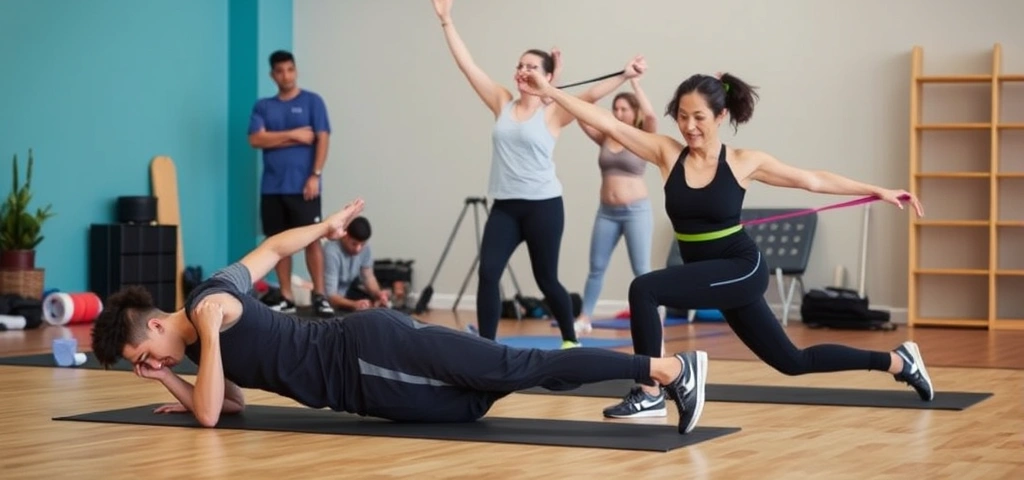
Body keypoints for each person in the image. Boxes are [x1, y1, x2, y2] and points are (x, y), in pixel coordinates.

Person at [517, 67, 935, 420]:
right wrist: (549, 91)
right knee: (792, 362)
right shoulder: (667, 154)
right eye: (681, 117)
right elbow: (607, 123)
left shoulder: (743, 162)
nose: (689, 126)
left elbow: (812, 179)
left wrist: (878, 190)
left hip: (741, 267)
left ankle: (650, 389)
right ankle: (900, 361)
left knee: (645, 288)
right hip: (710, 274)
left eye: (698, 117)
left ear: (720, 115)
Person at [89, 199, 709, 435]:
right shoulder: (204, 326)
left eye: (143, 358)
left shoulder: (207, 309)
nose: (149, 367)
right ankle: (659, 369)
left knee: (522, 367)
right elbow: (235, 403)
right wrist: (323, 228)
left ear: (148, 327)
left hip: (367, 361)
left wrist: (180, 383)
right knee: (475, 401)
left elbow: (207, 418)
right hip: (370, 367)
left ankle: (666, 368)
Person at [429, 0, 645, 347]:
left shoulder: (554, 112)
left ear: (545, 75)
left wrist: (625, 75)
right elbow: (468, 66)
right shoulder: (501, 101)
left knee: (547, 281)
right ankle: (486, 348)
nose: (522, 70)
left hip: (544, 207)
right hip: (506, 206)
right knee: (488, 273)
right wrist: (447, 21)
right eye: (520, 65)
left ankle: (569, 340)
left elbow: (591, 95)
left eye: (532, 66)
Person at [248, 50, 334, 318]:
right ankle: (286, 296)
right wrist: (294, 134)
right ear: (272, 75)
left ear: (295, 70)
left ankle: (320, 295)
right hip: (272, 187)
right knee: (278, 243)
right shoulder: (263, 106)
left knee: (312, 241)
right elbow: (255, 140)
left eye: (289, 69)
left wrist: (315, 175)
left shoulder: (312, 102)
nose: (286, 75)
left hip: (304, 186)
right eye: (280, 71)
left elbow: (321, 138)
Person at [575, 78, 658, 336]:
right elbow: (580, 109)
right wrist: (616, 80)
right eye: (616, 108)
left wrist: (635, 83)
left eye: (625, 109)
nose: (619, 113)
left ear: (634, 114)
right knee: (596, 268)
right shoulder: (604, 136)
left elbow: (651, 115)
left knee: (641, 270)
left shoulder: (643, 136)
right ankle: (584, 317)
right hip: (607, 213)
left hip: (636, 212)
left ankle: (654, 316)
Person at [322, 216, 394, 311]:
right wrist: (354, 304)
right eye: (354, 244)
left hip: (347, 293)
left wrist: (378, 294)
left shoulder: (366, 248)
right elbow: (330, 296)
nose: (358, 249)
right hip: (328, 302)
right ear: (344, 235)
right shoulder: (331, 251)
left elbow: (368, 277)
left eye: (362, 244)